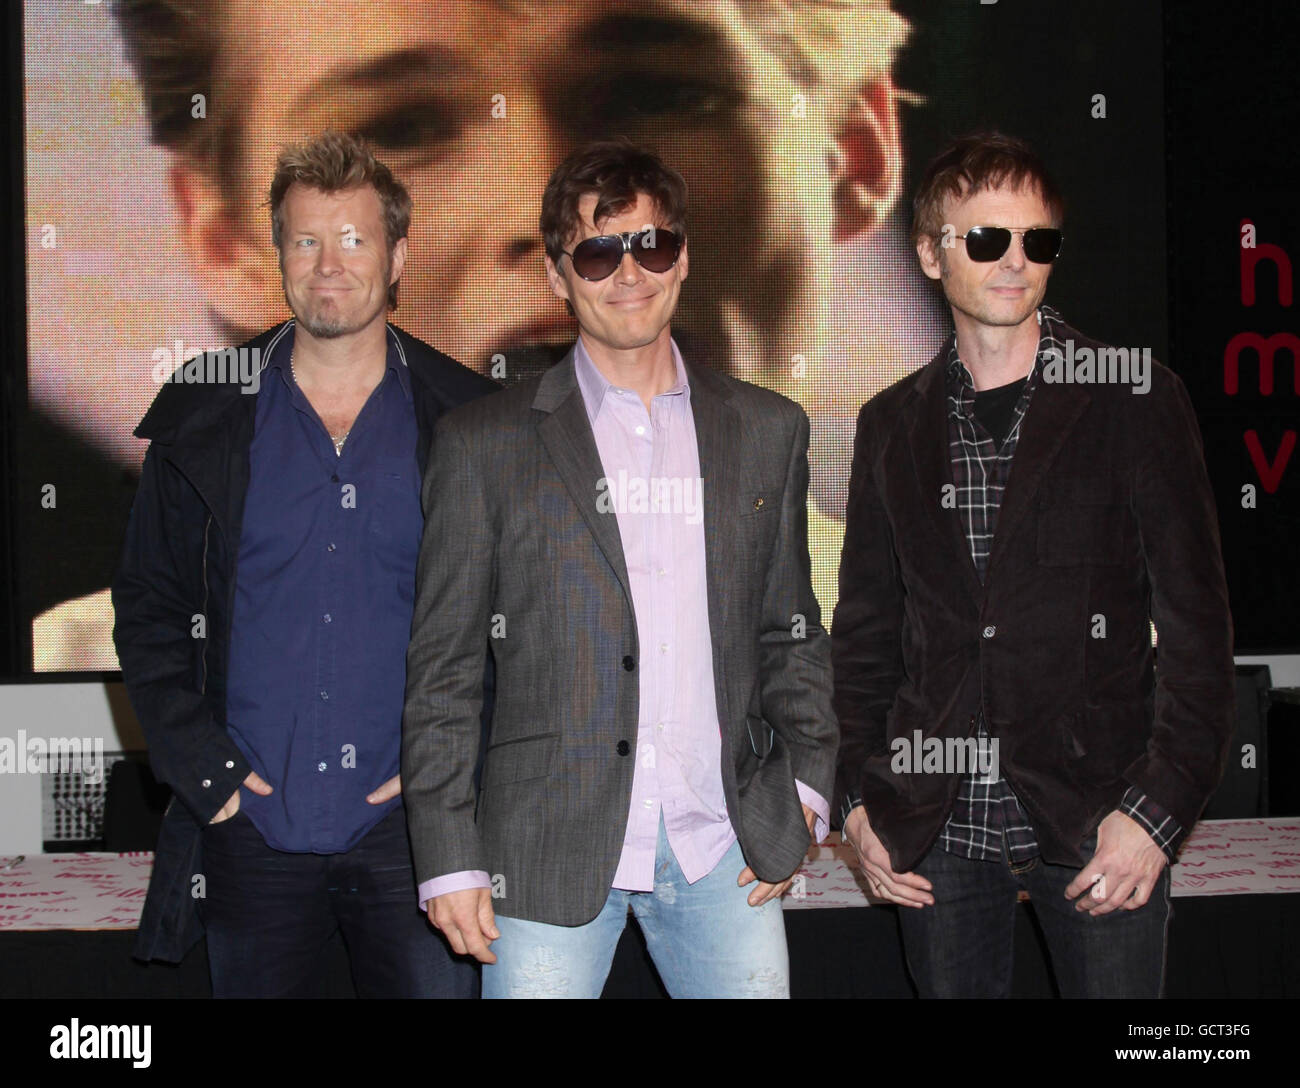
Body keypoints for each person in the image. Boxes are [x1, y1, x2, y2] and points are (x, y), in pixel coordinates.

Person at [35, 0, 925, 667]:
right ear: (228, 234)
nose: (549, 210)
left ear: (856, 144)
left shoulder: (978, 664)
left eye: (660, 93)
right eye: (401, 129)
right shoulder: (89, 689)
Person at [401, 139, 838, 998]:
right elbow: (442, 671)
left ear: (683, 260)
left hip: (723, 839)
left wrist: (809, 793)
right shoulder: (481, 445)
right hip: (540, 849)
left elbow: (792, 630)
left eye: (653, 245)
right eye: (599, 251)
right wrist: (447, 857)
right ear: (560, 277)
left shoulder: (768, 431)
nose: (628, 273)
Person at [833, 132, 1235, 998]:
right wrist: (856, 804)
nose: (1015, 262)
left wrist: (1154, 818)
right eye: (986, 239)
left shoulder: (1136, 396)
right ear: (929, 255)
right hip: (937, 827)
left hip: (1101, 822)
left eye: (1037, 241)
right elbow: (863, 641)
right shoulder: (890, 425)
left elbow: (1201, 642)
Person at [112, 131, 498, 996]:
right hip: (251, 834)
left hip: (418, 836)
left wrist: (456, 763)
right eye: (305, 240)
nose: (329, 265)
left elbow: (521, 619)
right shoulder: (201, 407)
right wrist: (202, 771)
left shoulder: (472, 417)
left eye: (354, 239)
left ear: (399, 254)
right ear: (276, 253)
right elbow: (146, 606)